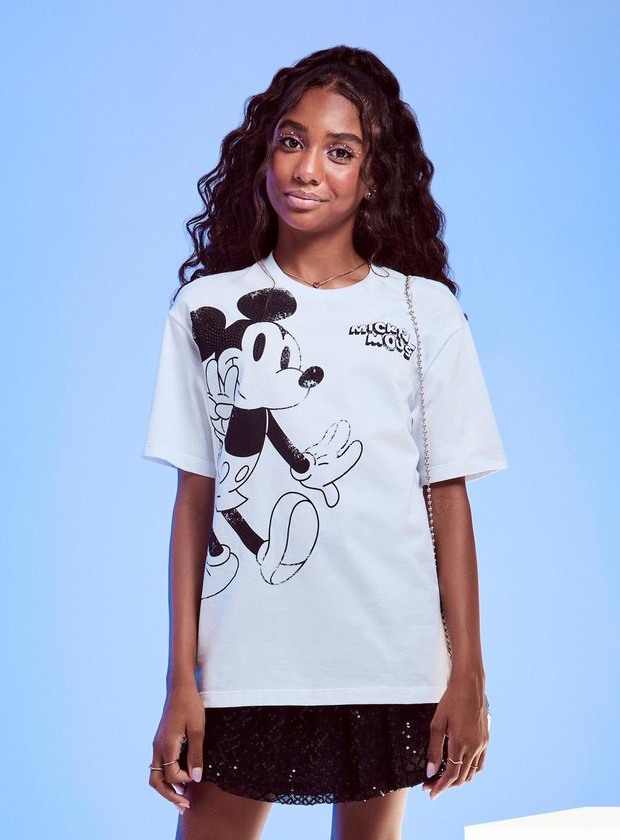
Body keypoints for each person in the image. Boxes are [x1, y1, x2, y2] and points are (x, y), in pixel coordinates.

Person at [142, 45, 508, 840]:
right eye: (291, 141)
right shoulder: (206, 310)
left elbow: (447, 500)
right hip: (245, 667)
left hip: (389, 662)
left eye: (340, 152)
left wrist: (469, 677)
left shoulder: (423, 312)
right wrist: (180, 682)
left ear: (374, 177)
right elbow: (195, 502)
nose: (306, 169)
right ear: (264, 152)